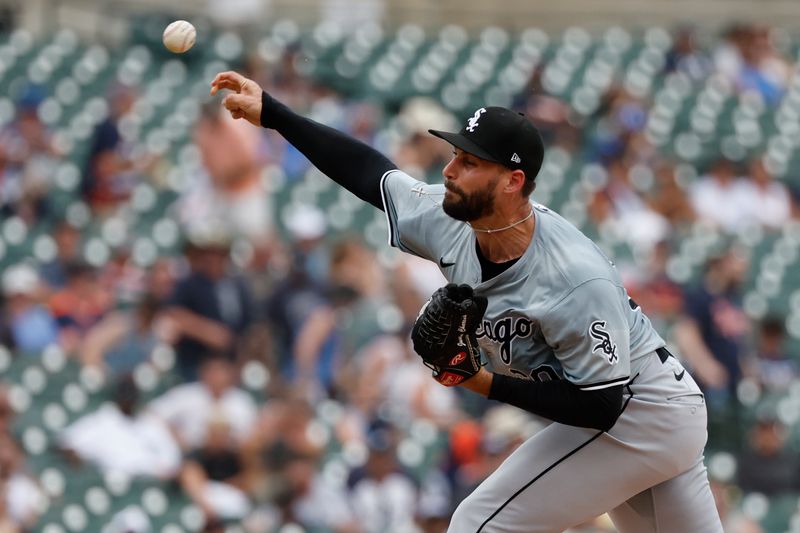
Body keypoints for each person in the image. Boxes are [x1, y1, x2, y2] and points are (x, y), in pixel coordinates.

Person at [210, 71, 723, 532]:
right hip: (660, 414)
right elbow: (370, 174)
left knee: (479, 525)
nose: (451, 169)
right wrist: (274, 114)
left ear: (512, 181)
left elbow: (602, 405)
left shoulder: (573, 277)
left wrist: (482, 383)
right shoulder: (450, 218)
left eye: (470, 161)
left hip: (637, 412)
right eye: (455, 154)